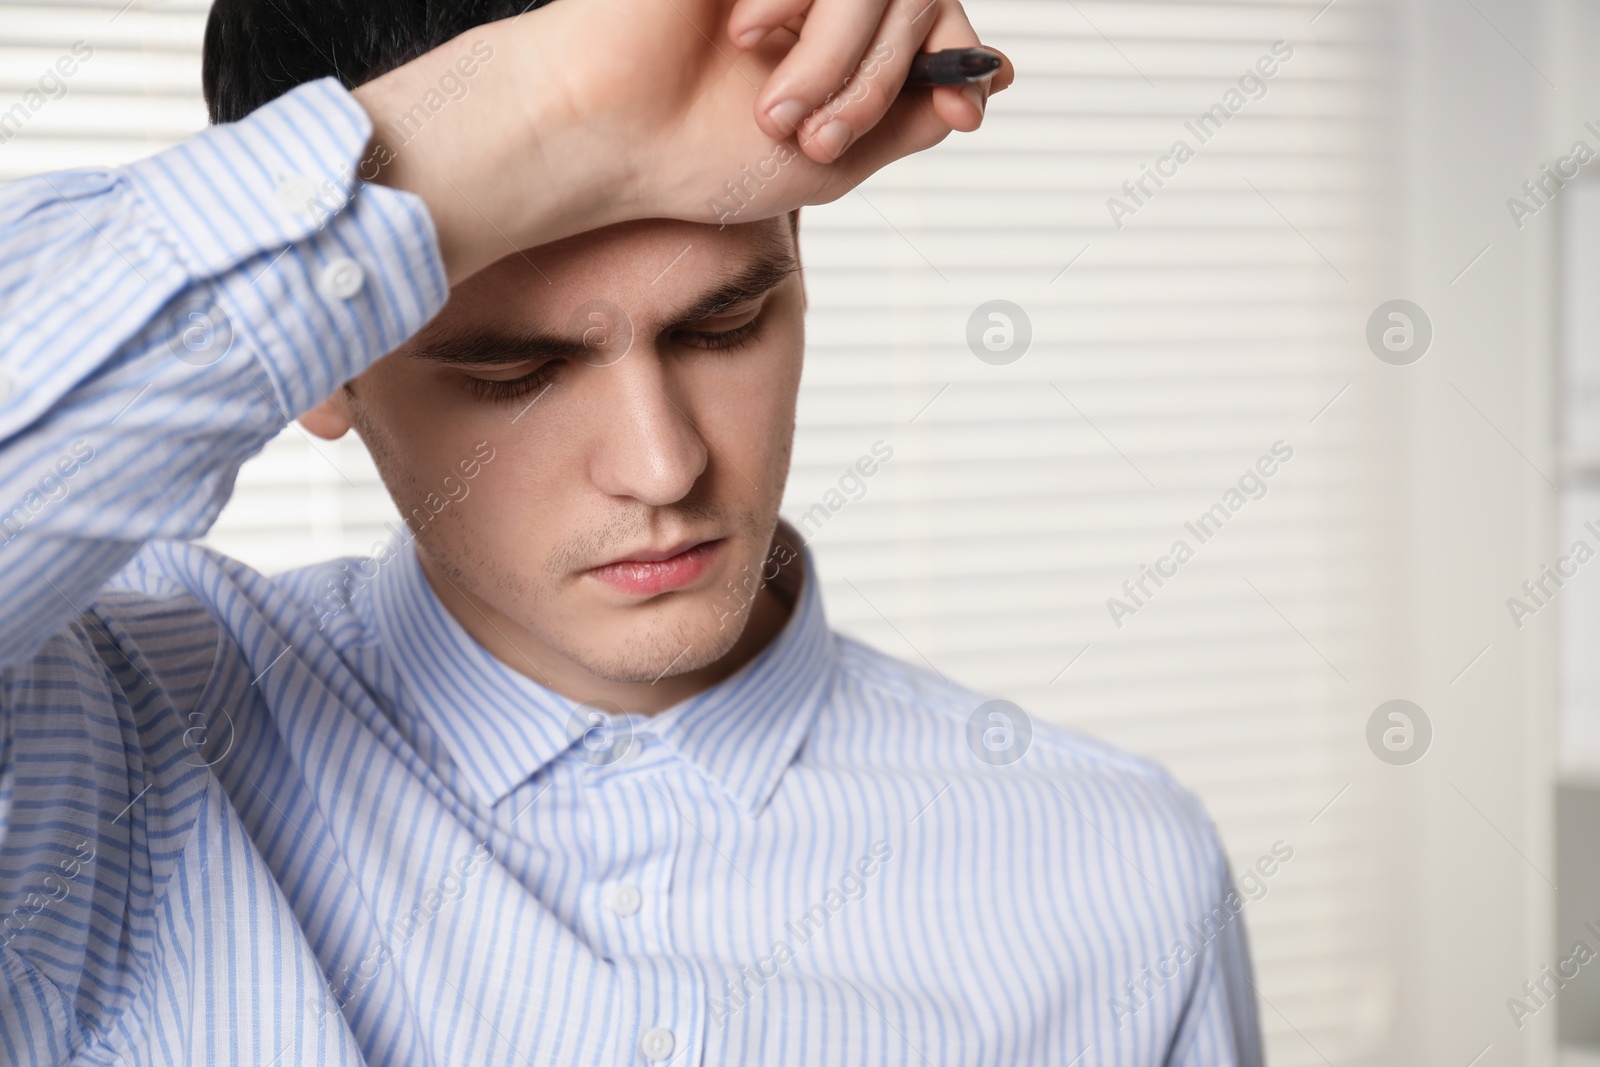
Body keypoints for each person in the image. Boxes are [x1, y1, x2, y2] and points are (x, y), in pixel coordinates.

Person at [0, 0, 1262, 1063]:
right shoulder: (99, 741)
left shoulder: (1120, 876)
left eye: (721, 327)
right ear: (319, 366)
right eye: (516, 370)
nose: (664, 464)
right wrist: (553, 112)